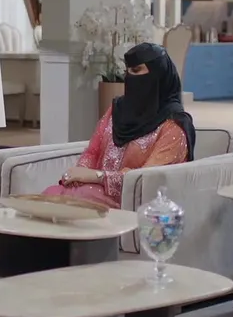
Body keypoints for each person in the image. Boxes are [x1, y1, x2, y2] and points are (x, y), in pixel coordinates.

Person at [43, 42, 196, 209]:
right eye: (127, 71)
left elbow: (147, 180)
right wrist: (79, 175)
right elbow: (93, 151)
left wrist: (97, 176)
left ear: (158, 74)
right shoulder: (118, 109)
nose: (130, 77)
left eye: (136, 70)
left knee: (69, 200)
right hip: (93, 191)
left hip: (134, 203)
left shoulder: (174, 125)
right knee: (52, 194)